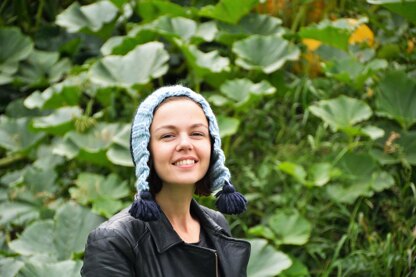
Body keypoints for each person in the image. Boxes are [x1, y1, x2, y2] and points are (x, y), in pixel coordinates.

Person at [81, 85, 250, 277]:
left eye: (197, 134)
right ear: (145, 151)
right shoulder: (115, 240)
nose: (185, 144)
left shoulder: (216, 224)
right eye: (168, 136)